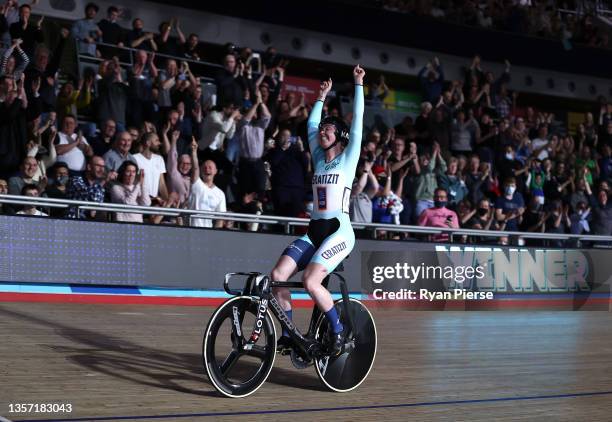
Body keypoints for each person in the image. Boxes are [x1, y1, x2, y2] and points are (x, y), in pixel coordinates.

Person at [271, 65, 364, 356]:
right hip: (314, 231)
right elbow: (311, 125)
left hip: (339, 231)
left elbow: (359, 119)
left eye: (328, 129)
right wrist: (320, 97)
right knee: (277, 275)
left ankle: (337, 333)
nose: (322, 131)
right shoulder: (319, 160)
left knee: (311, 281)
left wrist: (358, 84)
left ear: (340, 136)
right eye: (322, 129)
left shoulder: (348, 159)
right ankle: (289, 333)